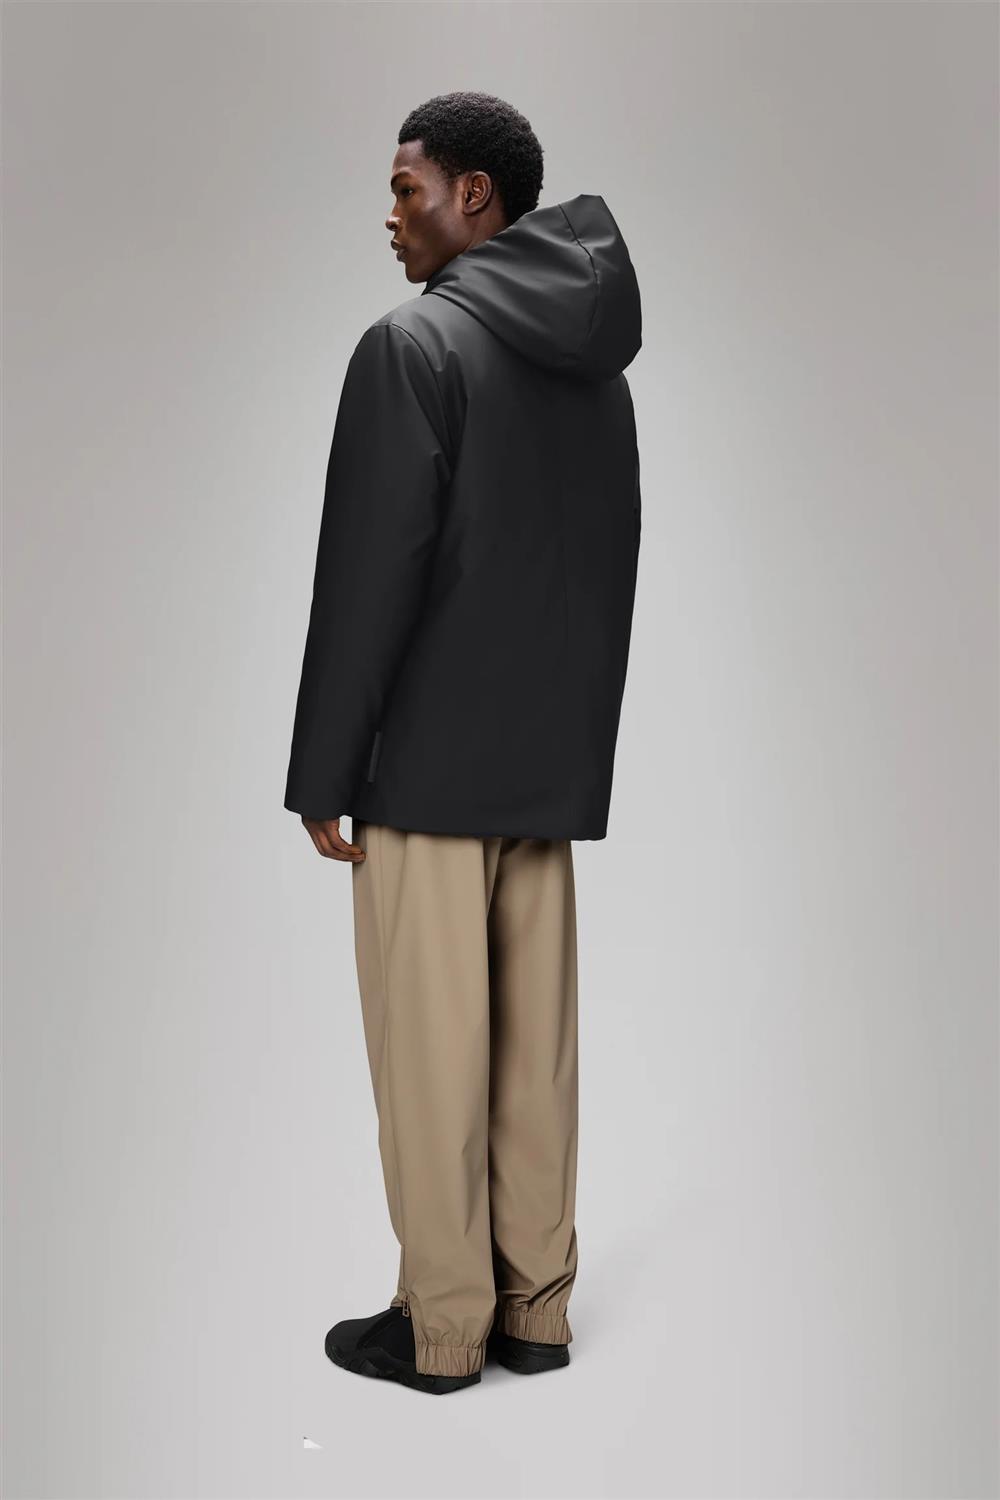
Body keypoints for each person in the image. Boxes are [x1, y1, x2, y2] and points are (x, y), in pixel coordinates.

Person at [284, 91, 642, 1395]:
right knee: (533, 1059)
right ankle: (536, 1313)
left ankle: (442, 1330)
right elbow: (605, 566)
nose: (392, 217)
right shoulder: (594, 366)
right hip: (546, 773)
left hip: (428, 775)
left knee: (434, 1058)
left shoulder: (412, 347)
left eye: (408, 188)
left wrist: (326, 770)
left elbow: (368, 576)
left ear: (474, 194)